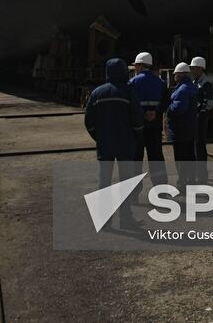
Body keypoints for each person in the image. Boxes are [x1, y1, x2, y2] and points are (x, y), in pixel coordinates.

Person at [84, 57, 145, 229]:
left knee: (104, 182)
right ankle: (125, 219)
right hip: (126, 146)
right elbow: (137, 119)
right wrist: (136, 137)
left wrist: (100, 137)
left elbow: (89, 121)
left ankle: (104, 220)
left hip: (105, 146)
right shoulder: (129, 93)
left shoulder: (97, 93)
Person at [128, 52, 168, 186]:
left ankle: (134, 192)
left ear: (139, 66)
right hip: (155, 126)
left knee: (136, 159)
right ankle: (161, 188)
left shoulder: (132, 82)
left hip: (137, 127)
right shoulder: (161, 83)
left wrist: (143, 113)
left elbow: (130, 104)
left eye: (136, 66)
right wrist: (155, 112)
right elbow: (166, 102)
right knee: (156, 157)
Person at [165, 62, 198, 194]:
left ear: (178, 75)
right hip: (189, 128)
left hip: (180, 129)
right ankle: (191, 181)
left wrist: (168, 108)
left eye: (175, 74)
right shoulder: (191, 86)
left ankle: (182, 184)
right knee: (190, 156)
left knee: (181, 157)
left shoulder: (182, 89)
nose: (174, 77)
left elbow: (179, 108)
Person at [190, 56, 213, 182]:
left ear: (200, 68)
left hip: (201, 118)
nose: (192, 70)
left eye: (193, 68)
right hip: (196, 117)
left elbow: (209, 103)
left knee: (199, 146)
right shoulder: (196, 82)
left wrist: (200, 111)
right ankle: (198, 173)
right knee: (196, 146)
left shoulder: (206, 83)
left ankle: (202, 176)